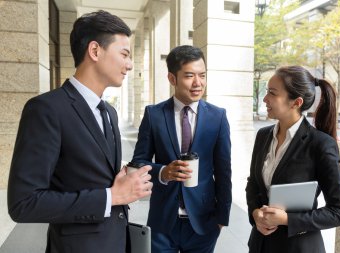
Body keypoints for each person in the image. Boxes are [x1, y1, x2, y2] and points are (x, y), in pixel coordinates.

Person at [7, 10, 153, 253]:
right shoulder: (46, 109)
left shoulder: (109, 112)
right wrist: (111, 196)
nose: (129, 65)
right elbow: (24, 203)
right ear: (95, 51)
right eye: (124, 54)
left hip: (117, 242)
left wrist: (125, 181)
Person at [132, 45, 232, 252]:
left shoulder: (218, 117)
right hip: (162, 221)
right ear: (172, 78)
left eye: (202, 75)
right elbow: (138, 162)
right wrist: (163, 172)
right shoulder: (154, 115)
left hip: (203, 223)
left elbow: (224, 171)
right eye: (189, 76)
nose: (198, 83)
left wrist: (222, 217)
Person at [245, 66, 340, 253]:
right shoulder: (263, 136)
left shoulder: (320, 144)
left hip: (297, 247)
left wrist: (286, 219)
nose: (264, 98)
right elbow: (253, 183)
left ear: (296, 102)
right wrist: (255, 213)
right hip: (260, 245)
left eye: (272, 93)